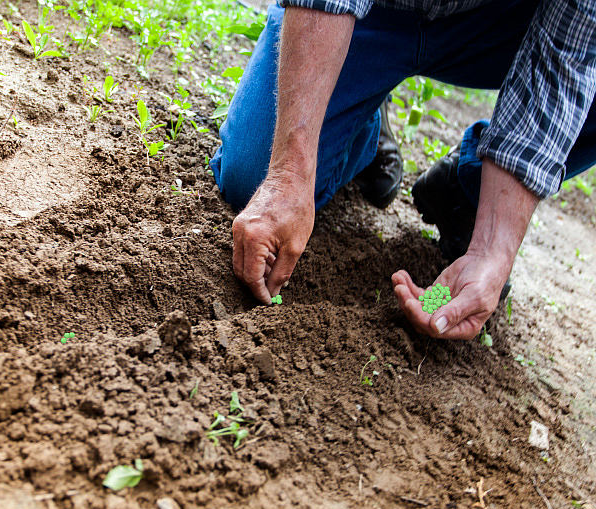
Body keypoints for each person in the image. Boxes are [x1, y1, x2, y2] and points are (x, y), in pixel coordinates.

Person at [209, 0, 596, 340]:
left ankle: (470, 192)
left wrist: (492, 250)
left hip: (498, 25)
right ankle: (362, 116)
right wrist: (290, 174)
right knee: (253, 177)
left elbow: (567, 58)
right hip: (374, 12)